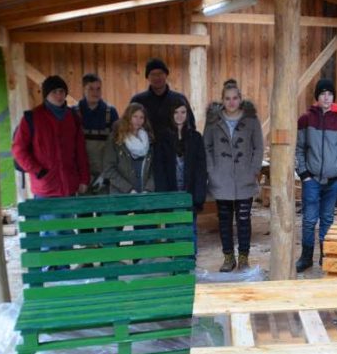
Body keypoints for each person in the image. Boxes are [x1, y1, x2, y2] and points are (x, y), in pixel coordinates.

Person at [295, 78, 337, 272]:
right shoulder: (306, 119)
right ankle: (306, 257)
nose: (326, 97)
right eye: (322, 93)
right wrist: (303, 173)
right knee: (309, 220)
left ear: (333, 97)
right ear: (317, 97)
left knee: (327, 219)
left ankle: (325, 255)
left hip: (333, 181)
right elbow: (299, 149)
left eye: (329, 93)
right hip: (311, 179)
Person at [204, 80, 263, 272]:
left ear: (240, 99)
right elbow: (207, 147)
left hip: (244, 178)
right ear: (222, 100)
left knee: (244, 219)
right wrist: (212, 171)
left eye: (235, 98)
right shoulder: (213, 120)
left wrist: (253, 169)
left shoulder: (251, 120)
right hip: (221, 179)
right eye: (227, 98)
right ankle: (228, 257)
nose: (231, 102)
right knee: (224, 220)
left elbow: (258, 147)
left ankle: (244, 258)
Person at [12, 75, 89, 198]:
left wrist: (84, 179)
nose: (59, 95)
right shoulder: (32, 118)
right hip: (45, 188)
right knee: (50, 218)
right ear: (46, 95)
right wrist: (38, 170)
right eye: (54, 92)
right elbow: (18, 150)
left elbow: (80, 152)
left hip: (70, 186)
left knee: (69, 218)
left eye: (62, 91)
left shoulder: (73, 117)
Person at [154, 97, 207, 253]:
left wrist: (198, 196)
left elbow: (201, 169)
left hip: (189, 193)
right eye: (176, 112)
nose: (179, 116)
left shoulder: (195, 137)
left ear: (188, 114)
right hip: (171, 192)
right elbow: (159, 169)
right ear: (170, 114)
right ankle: (174, 264)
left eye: (183, 112)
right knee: (172, 229)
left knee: (190, 230)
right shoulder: (162, 139)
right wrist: (164, 196)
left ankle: (190, 264)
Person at [73, 73, 119, 193]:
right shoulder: (73, 113)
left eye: (98, 88)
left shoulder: (111, 112)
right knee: (83, 210)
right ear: (83, 90)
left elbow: (117, 144)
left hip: (105, 174)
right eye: (91, 89)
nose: (95, 92)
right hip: (81, 175)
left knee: (105, 210)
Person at [130, 58, 195, 137]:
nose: (157, 77)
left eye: (160, 73)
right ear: (148, 77)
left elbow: (190, 125)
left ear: (166, 75)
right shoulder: (138, 100)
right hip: (147, 147)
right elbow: (128, 126)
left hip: (174, 147)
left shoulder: (179, 99)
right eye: (153, 74)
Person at [102, 103, 155, 194]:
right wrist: (129, 189)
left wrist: (148, 189)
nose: (138, 120)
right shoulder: (115, 138)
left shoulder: (149, 140)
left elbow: (153, 169)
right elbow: (109, 170)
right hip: (121, 194)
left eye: (141, 117)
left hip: (144, 194)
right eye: (135, 116)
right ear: (128, 117)